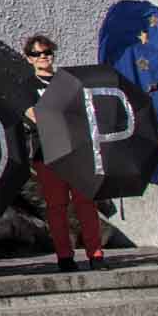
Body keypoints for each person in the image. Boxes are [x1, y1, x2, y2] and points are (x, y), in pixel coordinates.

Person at [21, 33, 104, 273]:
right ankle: (64, 255)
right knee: (56, 206)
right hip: (47, 152)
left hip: (77, 150)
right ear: (29, 59)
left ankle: (95, 253)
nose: (43, 57)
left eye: (47, 52)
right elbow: (35, 116)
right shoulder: (26, 87)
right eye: (37, 54)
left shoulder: (69, 81)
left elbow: (84, 112)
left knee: (85, 202)